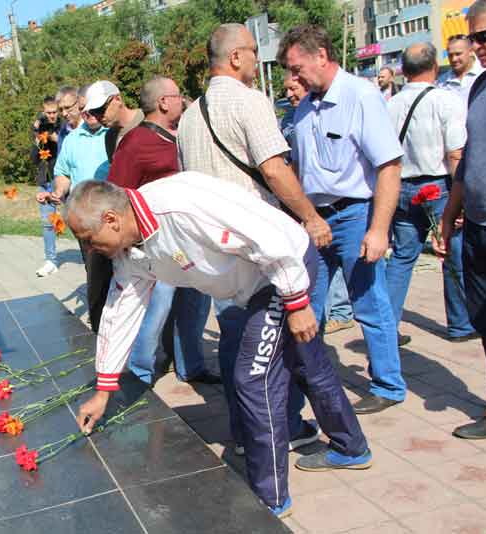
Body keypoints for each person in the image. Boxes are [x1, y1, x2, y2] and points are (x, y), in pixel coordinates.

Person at [69, 177, 370, 518]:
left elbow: (265, 236)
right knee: (306, 361)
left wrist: (296, 300)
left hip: (281, 268)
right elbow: (120, 310)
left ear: (111, 219)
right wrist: (105, 389)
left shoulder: (179, 207)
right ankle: (352, 447)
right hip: (255, 285)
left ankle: (269, 499)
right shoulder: (129, 251)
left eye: (89, 240)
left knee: (253, 379)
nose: (90, 249)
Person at [178, 23, 333, 455]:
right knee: (273, 341)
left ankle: (244, 431)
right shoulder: (250, 101)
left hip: (213, 246)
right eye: (251, 50)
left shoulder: (189, 116)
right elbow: (274, 169)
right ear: (234, 58)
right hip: (256, 240)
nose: (255, 59)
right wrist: (310, 217)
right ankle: (278, 425)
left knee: (233, 336)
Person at [278, 24, 406, 415]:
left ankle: (387, 385)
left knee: (368, 302)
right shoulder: (303, 109)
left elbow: (388, 165)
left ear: (321, 56)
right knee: (308, 305)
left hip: (353, 216)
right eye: (289, 70)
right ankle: (310, 383)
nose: (293, 77)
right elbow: (298, 169)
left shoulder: (361, 96)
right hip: (314, 220)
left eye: (297, 68)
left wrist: (379, 229)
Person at [108, 75, 219, 386]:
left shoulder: (180, 133)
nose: (182, 99)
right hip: (158, 242)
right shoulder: (135, 142)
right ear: (162, 102)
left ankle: (191, 366)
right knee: (157, 309)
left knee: (195, 304)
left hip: (190, 238)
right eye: (177, 95)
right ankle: (139, 374)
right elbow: (119, 193)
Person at [386, 42, 476, 344]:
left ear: (404, 70)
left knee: (401, 258)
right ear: (434, 66)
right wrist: (460, 200)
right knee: (452, 253)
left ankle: (387, 326)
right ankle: (461, 324)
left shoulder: (391, 104)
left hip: (400, 187)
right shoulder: (446, 101)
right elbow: (455, 154)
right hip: (438, 186)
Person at [433, 0, 486, 439]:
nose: (479, 46)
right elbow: (469, 157)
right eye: (475, 37)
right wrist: (451, 213)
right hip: (477, 227)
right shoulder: (479, 87)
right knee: (485, 322)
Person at [282, 72, 355, 335]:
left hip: (346, 209)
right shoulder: (294, 117)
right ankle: (312, 361)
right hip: (310, 210)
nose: (289, 94)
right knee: (315, 283)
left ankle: (343, 312)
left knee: (364, 293)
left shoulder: (345, 104)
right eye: (286, 90)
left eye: (292, 88)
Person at [47, 86, 111, 333]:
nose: (85, 113)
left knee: (123, 273)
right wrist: (59, 191)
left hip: (115, 216)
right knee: (94, 272)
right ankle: (100, 327)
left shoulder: (112, 133)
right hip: (85, 219)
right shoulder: (72, 139)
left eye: (72, 107)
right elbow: (62, 172)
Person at [32, 96, 63, 278]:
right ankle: (51, 261)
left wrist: (55, 138)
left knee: (80, 217)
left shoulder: (65, 126)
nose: (51, 116)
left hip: (64, 179)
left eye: (54, 112)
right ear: (43, 111)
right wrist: (38, 140)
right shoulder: (39, 126)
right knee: (47, 222)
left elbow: (69, 147)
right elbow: (34, 158)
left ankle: (93, 255)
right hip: (46, 179)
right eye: (48, 112)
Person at [438, 34, 486, 104]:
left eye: (458, 54)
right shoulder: (441, 82)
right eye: (450, 55)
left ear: (471, 52)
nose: (454, 59)